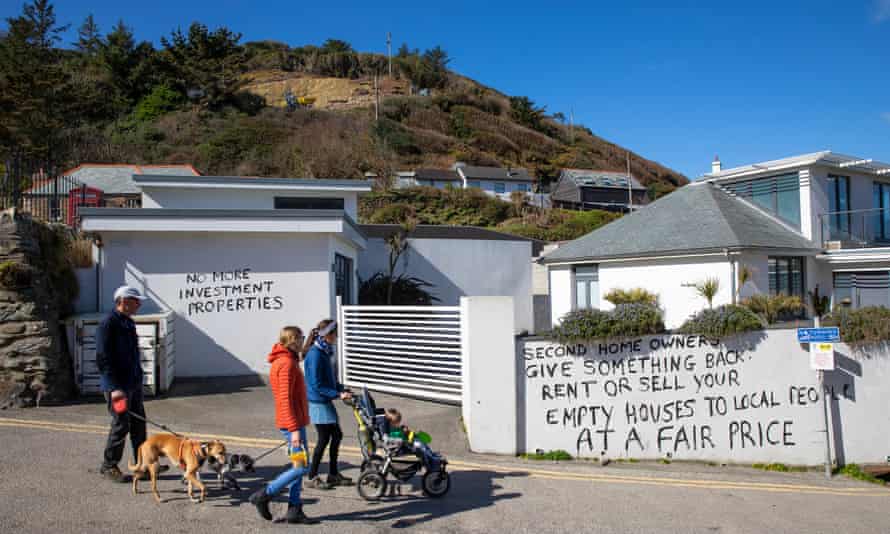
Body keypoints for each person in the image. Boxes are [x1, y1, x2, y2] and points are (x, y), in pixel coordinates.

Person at [249, 326, 318, 524]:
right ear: (293, 340)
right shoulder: (286, 364)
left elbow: (300, 356)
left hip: (294, 423)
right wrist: (294, 429)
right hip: (292, 425)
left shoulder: (287, 358)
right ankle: (264, 495)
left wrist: (310, 341)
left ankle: (294, 510)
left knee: (298, 465)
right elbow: (284, 400)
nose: (303, 340)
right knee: (303, 466)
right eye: (301, 338)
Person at [96, 285, 164, 483]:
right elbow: (102, 358)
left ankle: (143, 465)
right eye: (136, 301)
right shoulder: (108, 324)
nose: (139, 304)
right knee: (120, 424)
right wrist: (114, 388)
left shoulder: (127, 322)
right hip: (117, 387)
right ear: (124, 301)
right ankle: (109, 465)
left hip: (132, 384)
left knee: (138, 425)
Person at [303, 319, 353, 489]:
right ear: (327, 335)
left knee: (336, 436)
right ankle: (312, 476)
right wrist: (338, 394)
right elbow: (317, 384)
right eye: (335, 333)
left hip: (323, 400)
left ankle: (332, 474)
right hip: (318, 402)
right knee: (324, 439)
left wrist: (341, 389)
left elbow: (329, 379)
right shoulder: (315, 354)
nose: (337, 336)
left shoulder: (324, 351)